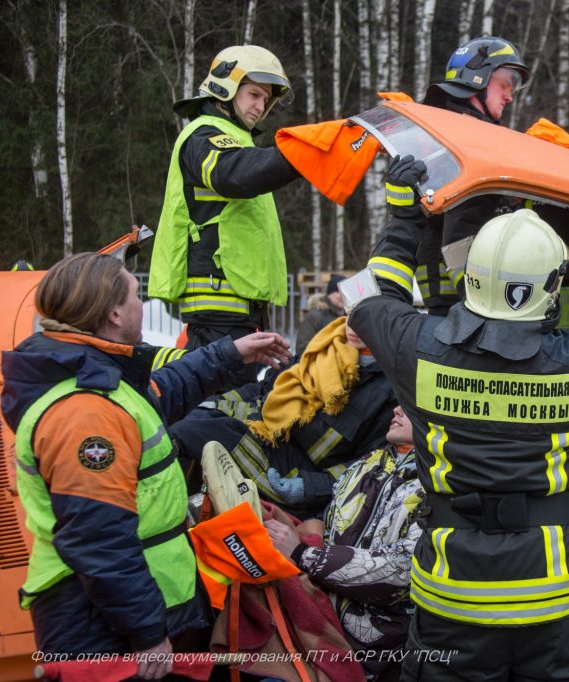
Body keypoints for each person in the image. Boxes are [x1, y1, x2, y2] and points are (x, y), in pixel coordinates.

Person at [348, 156, 569, 680]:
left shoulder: (418, 349)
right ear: (551, 287)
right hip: (558, 602)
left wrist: (404, 220)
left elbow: (376, 299)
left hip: (452, 599)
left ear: (471, 277)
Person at [0, 253, 291, 676]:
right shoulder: (85, 412)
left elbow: (160, 392)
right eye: (136, 294)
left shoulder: (94, 377)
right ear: (114, 311)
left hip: (121, 606)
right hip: (103, 623)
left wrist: (231, 354)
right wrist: (146, 633)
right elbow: (96, 536)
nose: (143, 302)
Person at [148, 45, 301, 384]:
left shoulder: (237, 141)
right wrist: (303, 152)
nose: (260, 107)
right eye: (254, 94)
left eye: (266, 100)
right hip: (219, 300)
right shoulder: (204, 135)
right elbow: (235, 174)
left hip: (237, 303)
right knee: (216, 404)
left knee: (233, 405)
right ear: (224, 88)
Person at [170, 319, 396, 516]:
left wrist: (307, 487)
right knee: (187, 427)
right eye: (352, 312)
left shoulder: (392, 391)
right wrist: (212, 406)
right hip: (268, 439)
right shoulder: (324, 346)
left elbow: (370, 467)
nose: (355, 323)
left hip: (298, 479)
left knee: (195, 433)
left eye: (366, 315)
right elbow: (266, 389)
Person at [266, 405, 424, 680]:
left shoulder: (441, 483)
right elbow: (329, 526)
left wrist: (302, 553)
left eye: (409, 404)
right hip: (315, 632)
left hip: (377, 656)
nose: (397, 409)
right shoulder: (369, 462)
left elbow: (403, 571)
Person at [415, 36, 533, 315]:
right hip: (465, 302)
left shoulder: (442, 130)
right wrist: (487, 302)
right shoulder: (459, 140)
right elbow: (461, 230)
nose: (509, 96)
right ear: (477, 77)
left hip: (454, 298)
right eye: (506, 84)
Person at [295, 274, 347, 356]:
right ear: (329, 294)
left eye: (345, 292)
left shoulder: (350, 316)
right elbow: (302, 348)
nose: (342, 295)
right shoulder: (316, 315)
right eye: (338, 291)